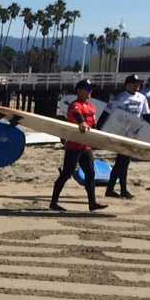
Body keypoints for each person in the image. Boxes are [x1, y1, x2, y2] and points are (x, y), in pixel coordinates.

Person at [51, 79, 105, 213]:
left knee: (90, 173)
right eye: (87, 89)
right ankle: (54, 202)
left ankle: (92, 203)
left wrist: (99, 138)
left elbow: (94, 126)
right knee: (66, 174)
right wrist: (81, 123)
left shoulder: (92, 107)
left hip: (86, 147)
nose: (89, 92)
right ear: (79, 91)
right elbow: (77, 114)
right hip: (74, 146)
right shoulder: (74, 105)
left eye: (91, 89)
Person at [103, 74, 149, 198]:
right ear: (127, 84)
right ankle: (122, 190)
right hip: (120, 134)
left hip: (133, 134)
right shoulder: (119, 98)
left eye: (139, 83)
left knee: (122, 162)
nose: (137, 85)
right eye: (134, 83)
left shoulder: (142, 98)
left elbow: (146, 117)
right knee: (123, 162)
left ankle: (112, 189)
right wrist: (100, 131)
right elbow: (105, 114)